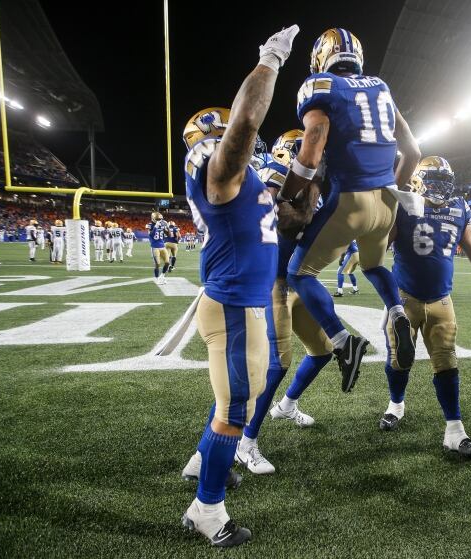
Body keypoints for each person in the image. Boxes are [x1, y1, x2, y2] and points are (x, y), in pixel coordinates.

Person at [178, 25, 298, 548]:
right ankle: (207, 510)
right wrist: (269, 61)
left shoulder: (242, 179)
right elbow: (247, 121)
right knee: (236, 411)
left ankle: (203, 462)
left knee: (235, 400)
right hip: (232, 305)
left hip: (239, 301)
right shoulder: (220, 171)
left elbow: (279, 216)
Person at [278, 27, 421, 393]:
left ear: (322, 56)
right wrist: (396, 194)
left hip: (350, 199)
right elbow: (413, 153)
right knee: (373, 266)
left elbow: (311, 147)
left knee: (299, 273)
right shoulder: (382, 88)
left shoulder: (321, 85)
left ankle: (343, 341)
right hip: (387, 200)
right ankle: (397, 312)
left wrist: (287, 193)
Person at [379, 156, 471, 458]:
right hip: (405, 296)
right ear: (418, 181)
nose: (439, 188)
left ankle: (455, 431)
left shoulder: (460, 207)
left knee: (447, 362)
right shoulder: (405, 203)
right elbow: (381, 245)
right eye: (433, 180)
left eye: (444, 181)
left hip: (441, 300)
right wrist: (386, 212)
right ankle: (396, 405)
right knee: (399, 360)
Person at [228, 128, 333, 475]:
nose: (314, 161)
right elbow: (281, 217)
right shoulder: (274, 172)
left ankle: (286, 405)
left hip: (298, 277)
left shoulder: (316, 182)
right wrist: (309, 216)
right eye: (307, 155)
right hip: (273, 280)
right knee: (279, 361)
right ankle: (246, 442)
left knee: (322, 350)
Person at [147, 213, 170, 284]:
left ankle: (162, 276)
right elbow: (151, 234)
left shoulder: (162, 224)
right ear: (153, 218)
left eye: (160, 219)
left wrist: (167, 228)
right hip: (155, 247)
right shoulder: (150, 225)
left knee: (167, 263)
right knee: (157, 264)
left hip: (162, 246)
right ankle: (157, 279)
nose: (159, 220)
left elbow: (168, 234)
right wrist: (156, 227)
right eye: (158, 219)